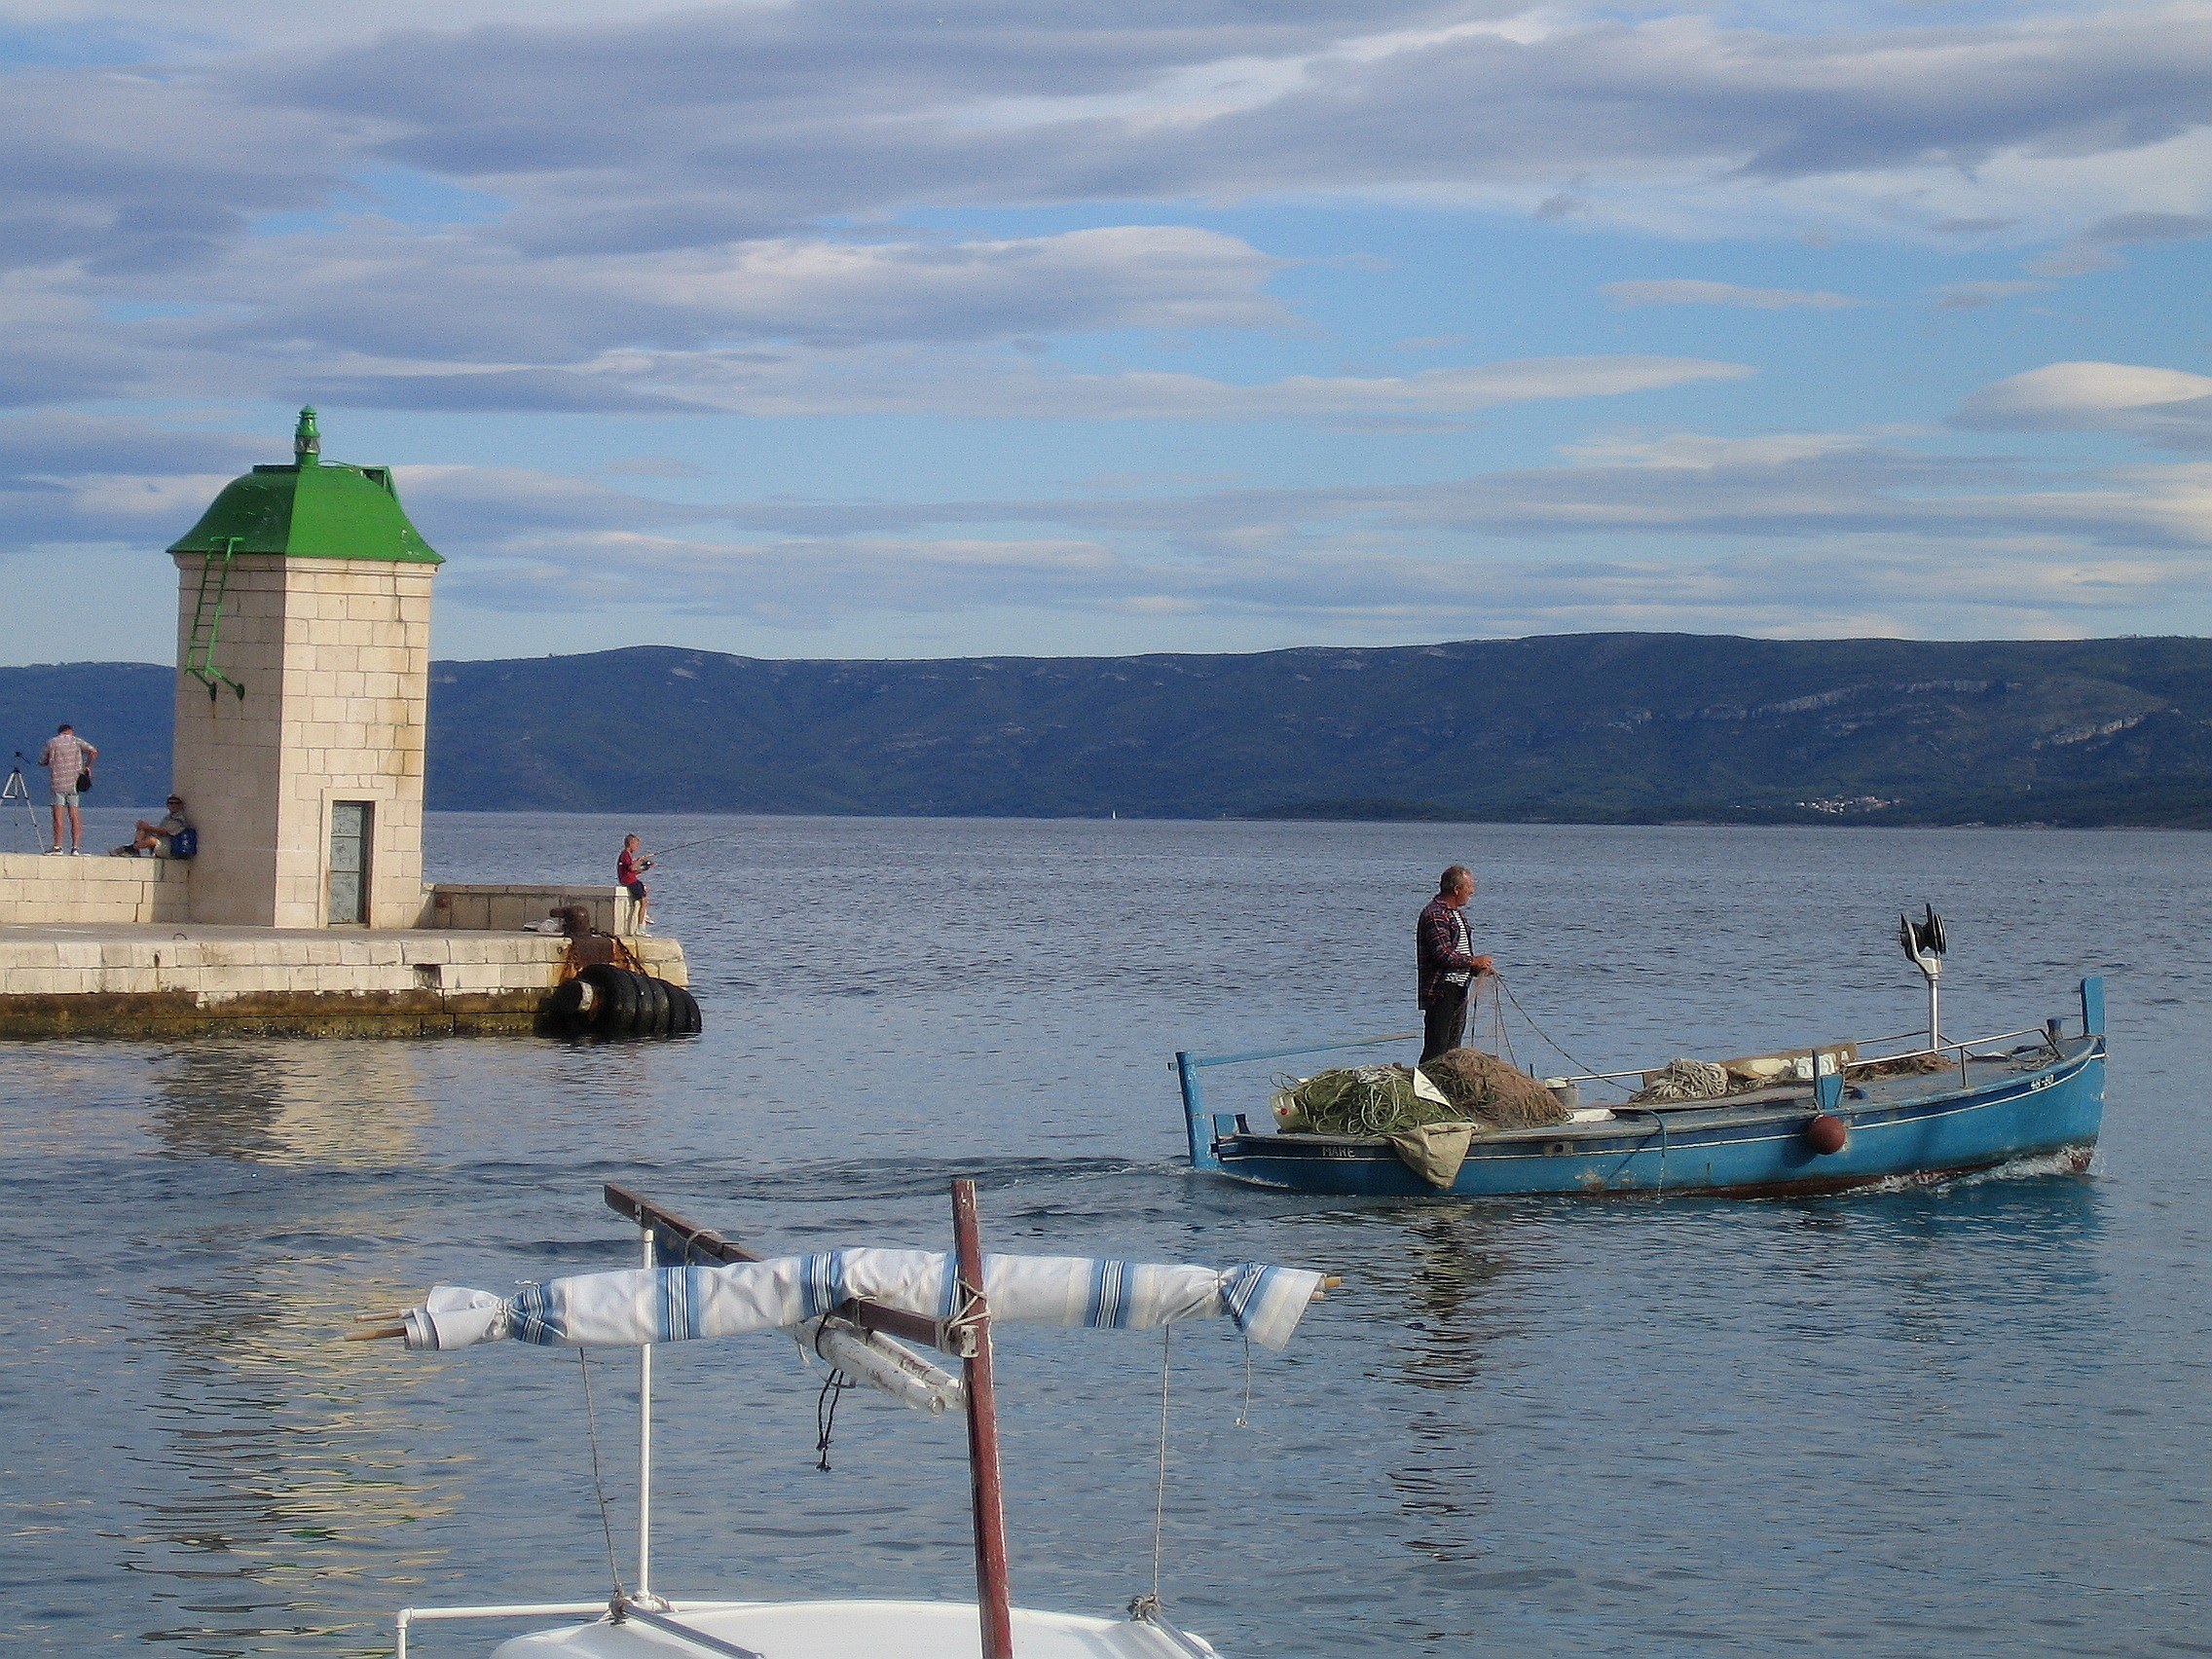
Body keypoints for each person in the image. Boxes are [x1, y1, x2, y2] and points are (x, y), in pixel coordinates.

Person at [1417, 864, 1493, 1064]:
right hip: (1441, 990)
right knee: (1437, 1049)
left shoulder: (1456, 914)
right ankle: (1424, 1088)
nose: (1472, 891)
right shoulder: (1435, 913)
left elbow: (1457, 954)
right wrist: (1473, 961)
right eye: (1469, 887)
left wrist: (1476, 968)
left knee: (1453, 1049)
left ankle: (1445, 1090)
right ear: (1457, 889)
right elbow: (1443, 954)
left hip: (1459, 989)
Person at [37, 722, 95, 855]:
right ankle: (75, 848)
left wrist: (51, 761)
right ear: (70, 731)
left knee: (58, 817)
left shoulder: (51, 742)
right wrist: (87, 766)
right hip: (74, 784)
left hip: (57, 783)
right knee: (74, 816)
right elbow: (93, 751)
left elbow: (41, 760)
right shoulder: (76, 741)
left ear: (60, 732)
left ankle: (58, 847)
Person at [118, 794, 191, 858]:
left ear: (181, 805)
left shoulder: (180, 819)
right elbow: (159, 831)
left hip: (171, 847)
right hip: (163, 843)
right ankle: (134, 849)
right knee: (142, 829)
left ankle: (130, 848)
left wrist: (148, 827)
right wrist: (144, 827)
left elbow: (166, 832)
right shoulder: (168, 817)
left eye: (176, 803)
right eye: (171, 803)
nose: (173, 805)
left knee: (151, 840)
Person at [616, 833, 653, 932]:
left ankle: (644, 914)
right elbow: (632, 867)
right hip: (629, 881)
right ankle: (640, 928)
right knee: (644, 901)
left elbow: (632, 871)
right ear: (631, 843)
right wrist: (639, 860)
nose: (637, 847)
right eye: (636, 845)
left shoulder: (626, 855)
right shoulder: (625, 854)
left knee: (645, 889)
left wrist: (644, 868)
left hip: (630, 879)